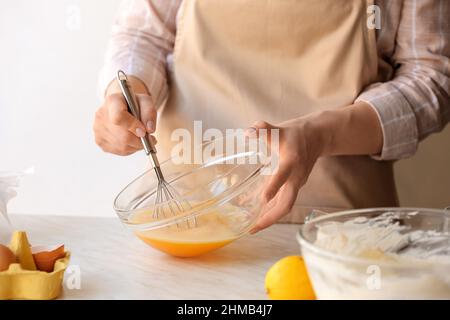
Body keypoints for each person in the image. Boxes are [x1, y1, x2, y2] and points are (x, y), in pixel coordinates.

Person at [94, 0, 450, 232]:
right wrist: (128, 92)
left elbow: (432, 78)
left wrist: (319, 135)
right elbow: (144, 34)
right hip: (186, 214)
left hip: (342, 232)